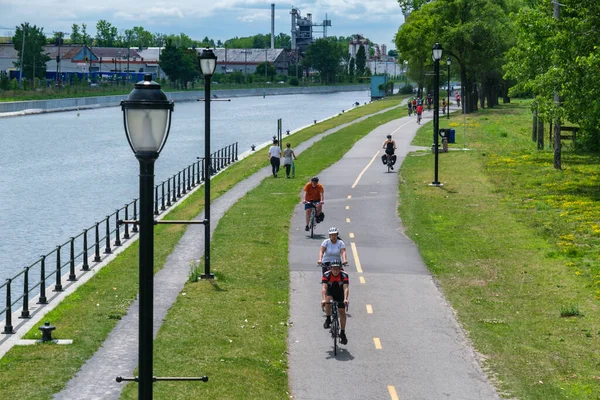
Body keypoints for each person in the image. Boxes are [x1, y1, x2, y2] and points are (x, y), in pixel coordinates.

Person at [321, 260, 349, 345]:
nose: (336, 271)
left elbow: (346, 288)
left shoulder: (344, 275)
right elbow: (324, 288)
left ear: (340, 268)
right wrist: (323, 299)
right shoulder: (326, 275)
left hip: (340, 294)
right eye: (334, 269)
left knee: (342, 312)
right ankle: (328, 318)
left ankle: (343, 332)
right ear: (330, 269)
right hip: (331, 293)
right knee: (327, 300)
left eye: (337, 269)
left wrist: (345, 299)